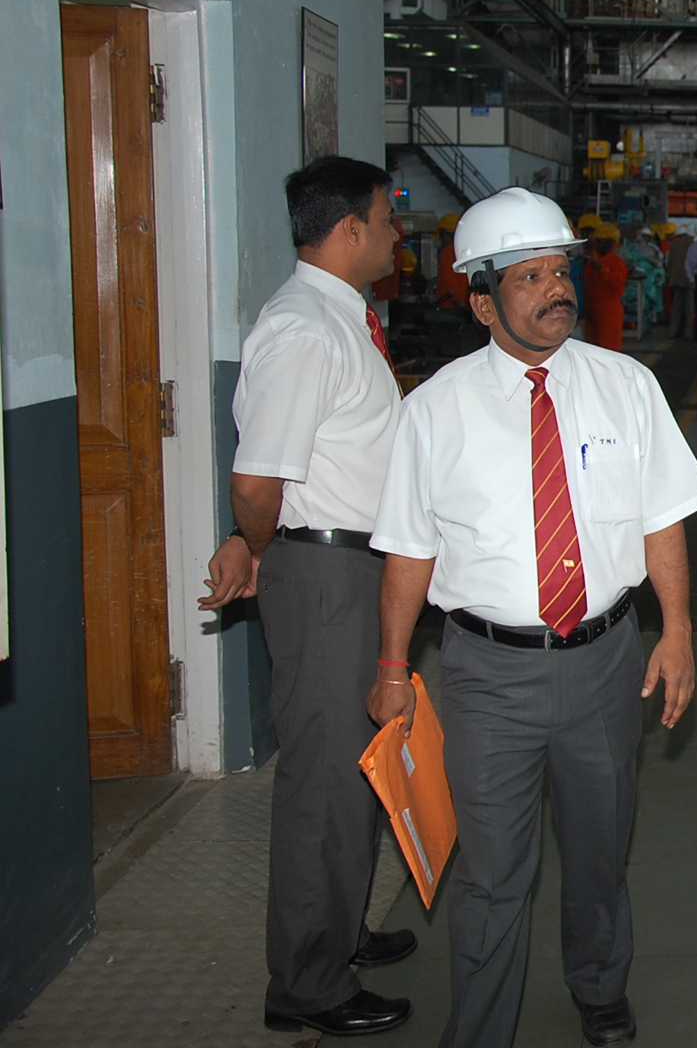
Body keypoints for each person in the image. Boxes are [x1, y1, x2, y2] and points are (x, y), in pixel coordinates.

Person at [366, 187, 697, 1048]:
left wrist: (676, 631)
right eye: (529, 277)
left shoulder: (625, 387)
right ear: (483, 302)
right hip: (488, 675)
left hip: (605, 662)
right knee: (491, 874)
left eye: (560, 271)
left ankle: (599, 986)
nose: (556, 289)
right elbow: (408, 552)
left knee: (600, 850)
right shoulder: (434, 410)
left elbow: (661, 519)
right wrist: (392, 669)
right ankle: (480, 1032)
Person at [195, 156, 414, 1037]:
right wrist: (254, 547)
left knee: (358, 766)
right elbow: (257, 483)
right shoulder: (302, 332)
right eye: (386, 219)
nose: (397, 234)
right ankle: (308, 984)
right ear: (350, 230)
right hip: (326, 576)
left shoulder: (343, 320)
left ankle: (340, 930)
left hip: (355, 570)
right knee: (325, 779)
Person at [585, 235, 629, 351]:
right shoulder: (593, 262)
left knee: (609, 349)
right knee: (592, 349)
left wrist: (602, 270)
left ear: (609, 244)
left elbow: (618, 286)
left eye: (599, 242)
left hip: (609, 310)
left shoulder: (617, 263)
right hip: (592, 308)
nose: (596, 245)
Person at [437, 212, 469, 310]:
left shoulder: (448, 252)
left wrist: (462, 308)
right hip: (468, 305)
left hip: (451, 309)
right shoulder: (466, 249)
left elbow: (451, 285)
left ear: (445, 234)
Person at [664, 229, 693, 338]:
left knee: (676, 306)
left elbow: (668, 262)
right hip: (688, 279)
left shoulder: (673, 244)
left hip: (675, 279)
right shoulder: (691, 243)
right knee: (689, 307)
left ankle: (673, 331)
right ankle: (688, 332)